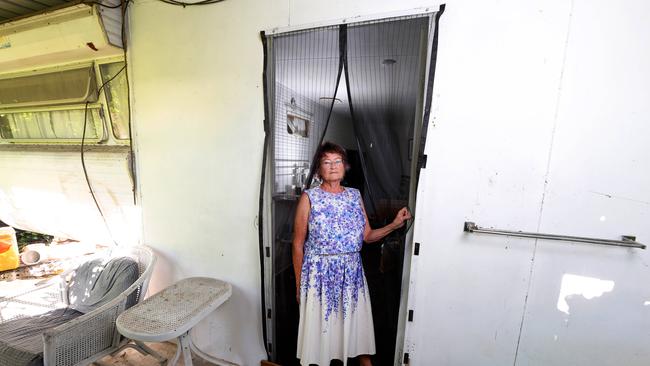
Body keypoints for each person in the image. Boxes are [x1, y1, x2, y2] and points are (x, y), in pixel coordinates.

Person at [293, 141, 411, 366]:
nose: (333, 166)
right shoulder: (309, 198)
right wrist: (300, 285)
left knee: (357, 333)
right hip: (319, 276)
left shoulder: (355, 196)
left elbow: (367, 236)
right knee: (321, 334)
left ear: (345, 166)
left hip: (351, 275)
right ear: (319, 169)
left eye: (338, 161)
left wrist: (394, 225)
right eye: (327, 162)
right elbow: (297, 244)